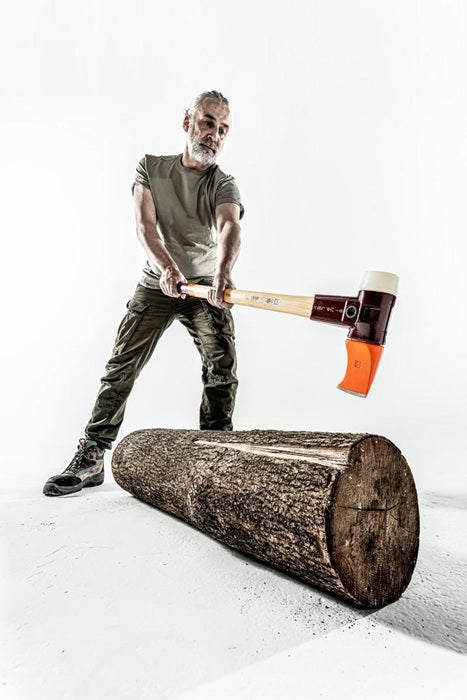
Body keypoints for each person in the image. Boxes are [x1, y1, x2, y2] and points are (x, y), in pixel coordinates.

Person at [43, 90, 245, 497]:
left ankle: (215, 453)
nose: (214, 134)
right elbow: (145, 226)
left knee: (221, 369)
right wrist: (168, 268)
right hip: (157, 283)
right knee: (122, 364)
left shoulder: (223, 183)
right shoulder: (151, 168)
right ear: (187, 123)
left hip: (206, 289)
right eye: (208, 122)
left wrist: (223, 273)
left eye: (223, 129)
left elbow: (229, 226)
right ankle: (93, 453)